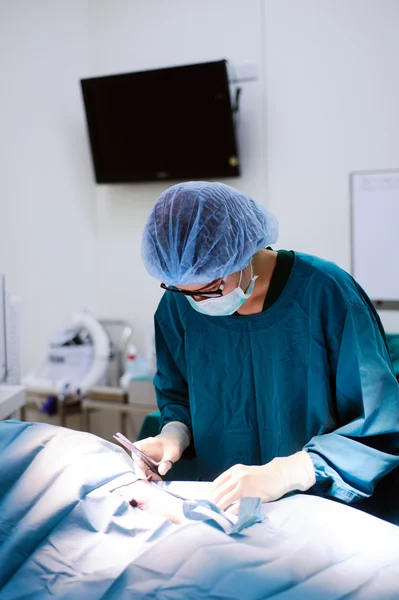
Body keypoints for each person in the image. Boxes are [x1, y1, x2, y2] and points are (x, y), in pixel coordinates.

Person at [137, 181, 399, 525]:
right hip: (229, 516)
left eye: (211, 287)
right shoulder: (177, 307)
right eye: (184, 291)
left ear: (241, 251)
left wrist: (292, 471)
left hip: (328, 515)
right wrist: (175, 434)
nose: (199, 302)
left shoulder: (326, 294)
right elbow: (179, 395)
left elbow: (379, 423)